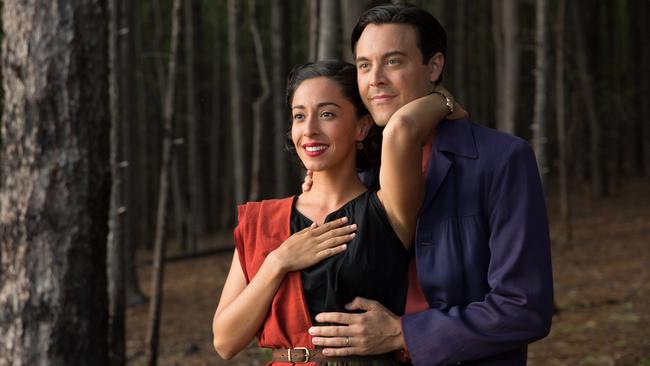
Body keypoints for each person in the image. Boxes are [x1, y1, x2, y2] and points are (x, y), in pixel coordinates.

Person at [306, 4, 554, 365]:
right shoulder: (356, 172)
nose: (374, 78)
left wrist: (401, 334)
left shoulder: (501, 159)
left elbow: (524, 307)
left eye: (393, 61)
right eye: (363, 64)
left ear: (434, 66)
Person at [212, 61, 463, 364]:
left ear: (361, 127)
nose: (309, 130)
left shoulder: (389, 209)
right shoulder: (262, 221)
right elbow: (225, 342)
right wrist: (278, 262)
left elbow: (402, 128)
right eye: (299, 116)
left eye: (327, 114)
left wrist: (443, 100)